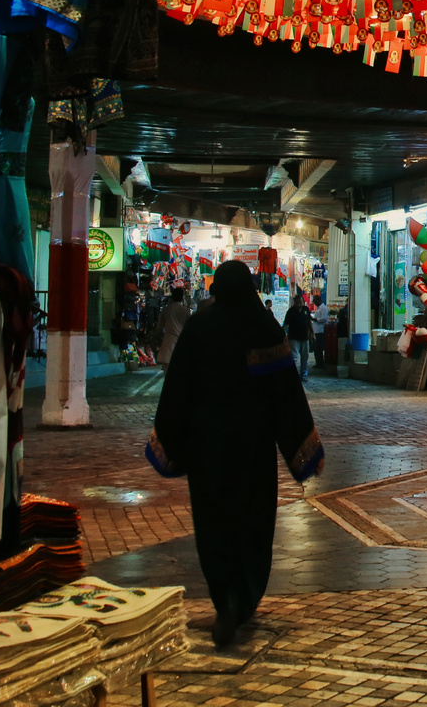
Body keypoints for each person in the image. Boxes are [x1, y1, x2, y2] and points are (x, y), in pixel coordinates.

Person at [145, 261, 324, 649]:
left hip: (206, 446)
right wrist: (301, 448)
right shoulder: (262, 327)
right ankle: (242, 599)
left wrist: (171, 440)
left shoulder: (199, 328)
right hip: (252, 447)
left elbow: (176, 390)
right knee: (253, 520)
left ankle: (224, 596)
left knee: (213, 522)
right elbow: (285, 394)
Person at [157, 288, 192, 371]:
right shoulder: (185, 311)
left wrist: (158, 337)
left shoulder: (166, 309)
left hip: (168, 342)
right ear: (182, 297)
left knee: (167, 369)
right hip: (181, 342)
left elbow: (159, 327)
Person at [282, 294, 315, 379]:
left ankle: (303, 374)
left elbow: (309, 322)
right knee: (294, 357)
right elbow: (286, 325)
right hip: (294, 337)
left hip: (305, 337)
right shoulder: (290, 311)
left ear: (303, 302)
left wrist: (312, 333)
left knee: (305, 357)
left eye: (300, 302)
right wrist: (284, 336)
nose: (299, 304)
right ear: (294, 303)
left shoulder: (306, 310)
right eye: (297, 302)